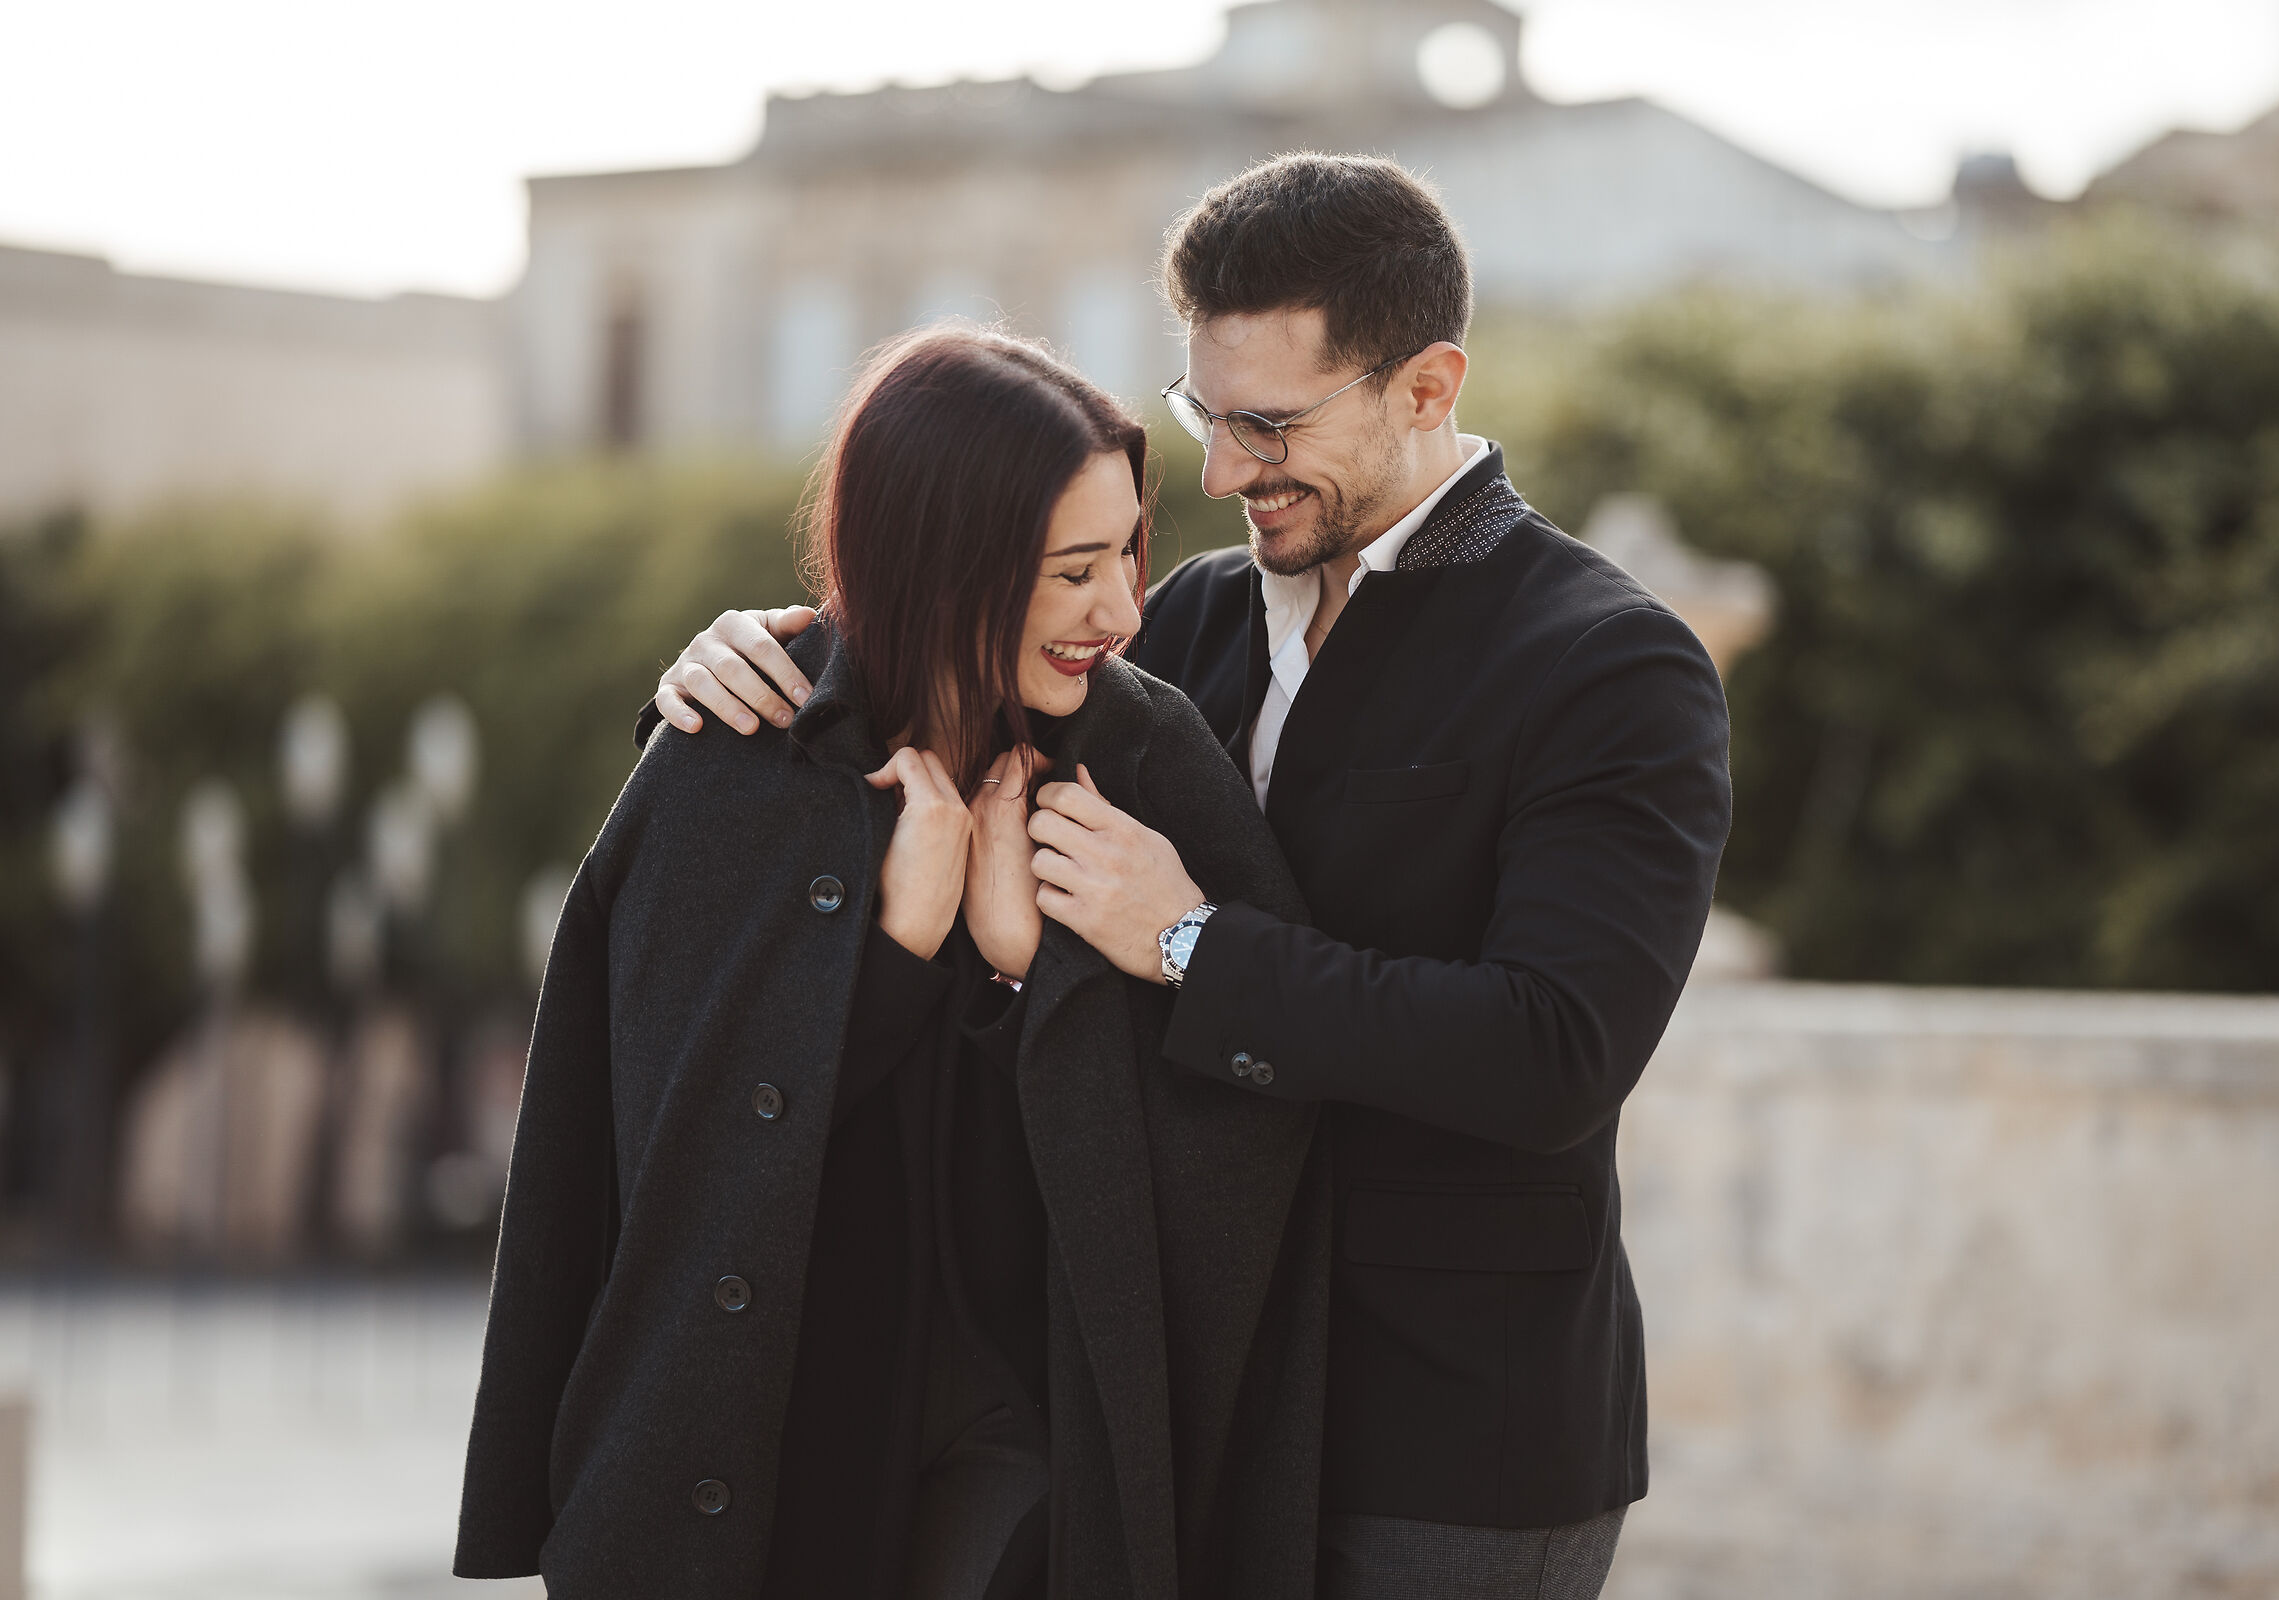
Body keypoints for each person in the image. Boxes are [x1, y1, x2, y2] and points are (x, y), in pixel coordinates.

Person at [654, 154, 1734, 1598]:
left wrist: (1191, 944)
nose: (1222, 473)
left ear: (1427, 388)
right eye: (1205, 416)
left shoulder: (1611, 663)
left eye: (1271, 425)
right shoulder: (1180, 623)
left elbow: (1553, 1054)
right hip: (1180, 1403)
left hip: (1446, 1440)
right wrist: (753, 663)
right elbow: (941, 675)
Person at [455, 327, 1330, 1600]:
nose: (1122, 611)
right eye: (1074, 570)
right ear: (949, 568)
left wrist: (1028, 974)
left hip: (1031, 1450)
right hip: (769, 1462)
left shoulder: (1148, 755)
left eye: (1127, 553)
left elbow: (1260, 1127)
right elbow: (663, 1162)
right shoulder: (734, 753)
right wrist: (897, 956)